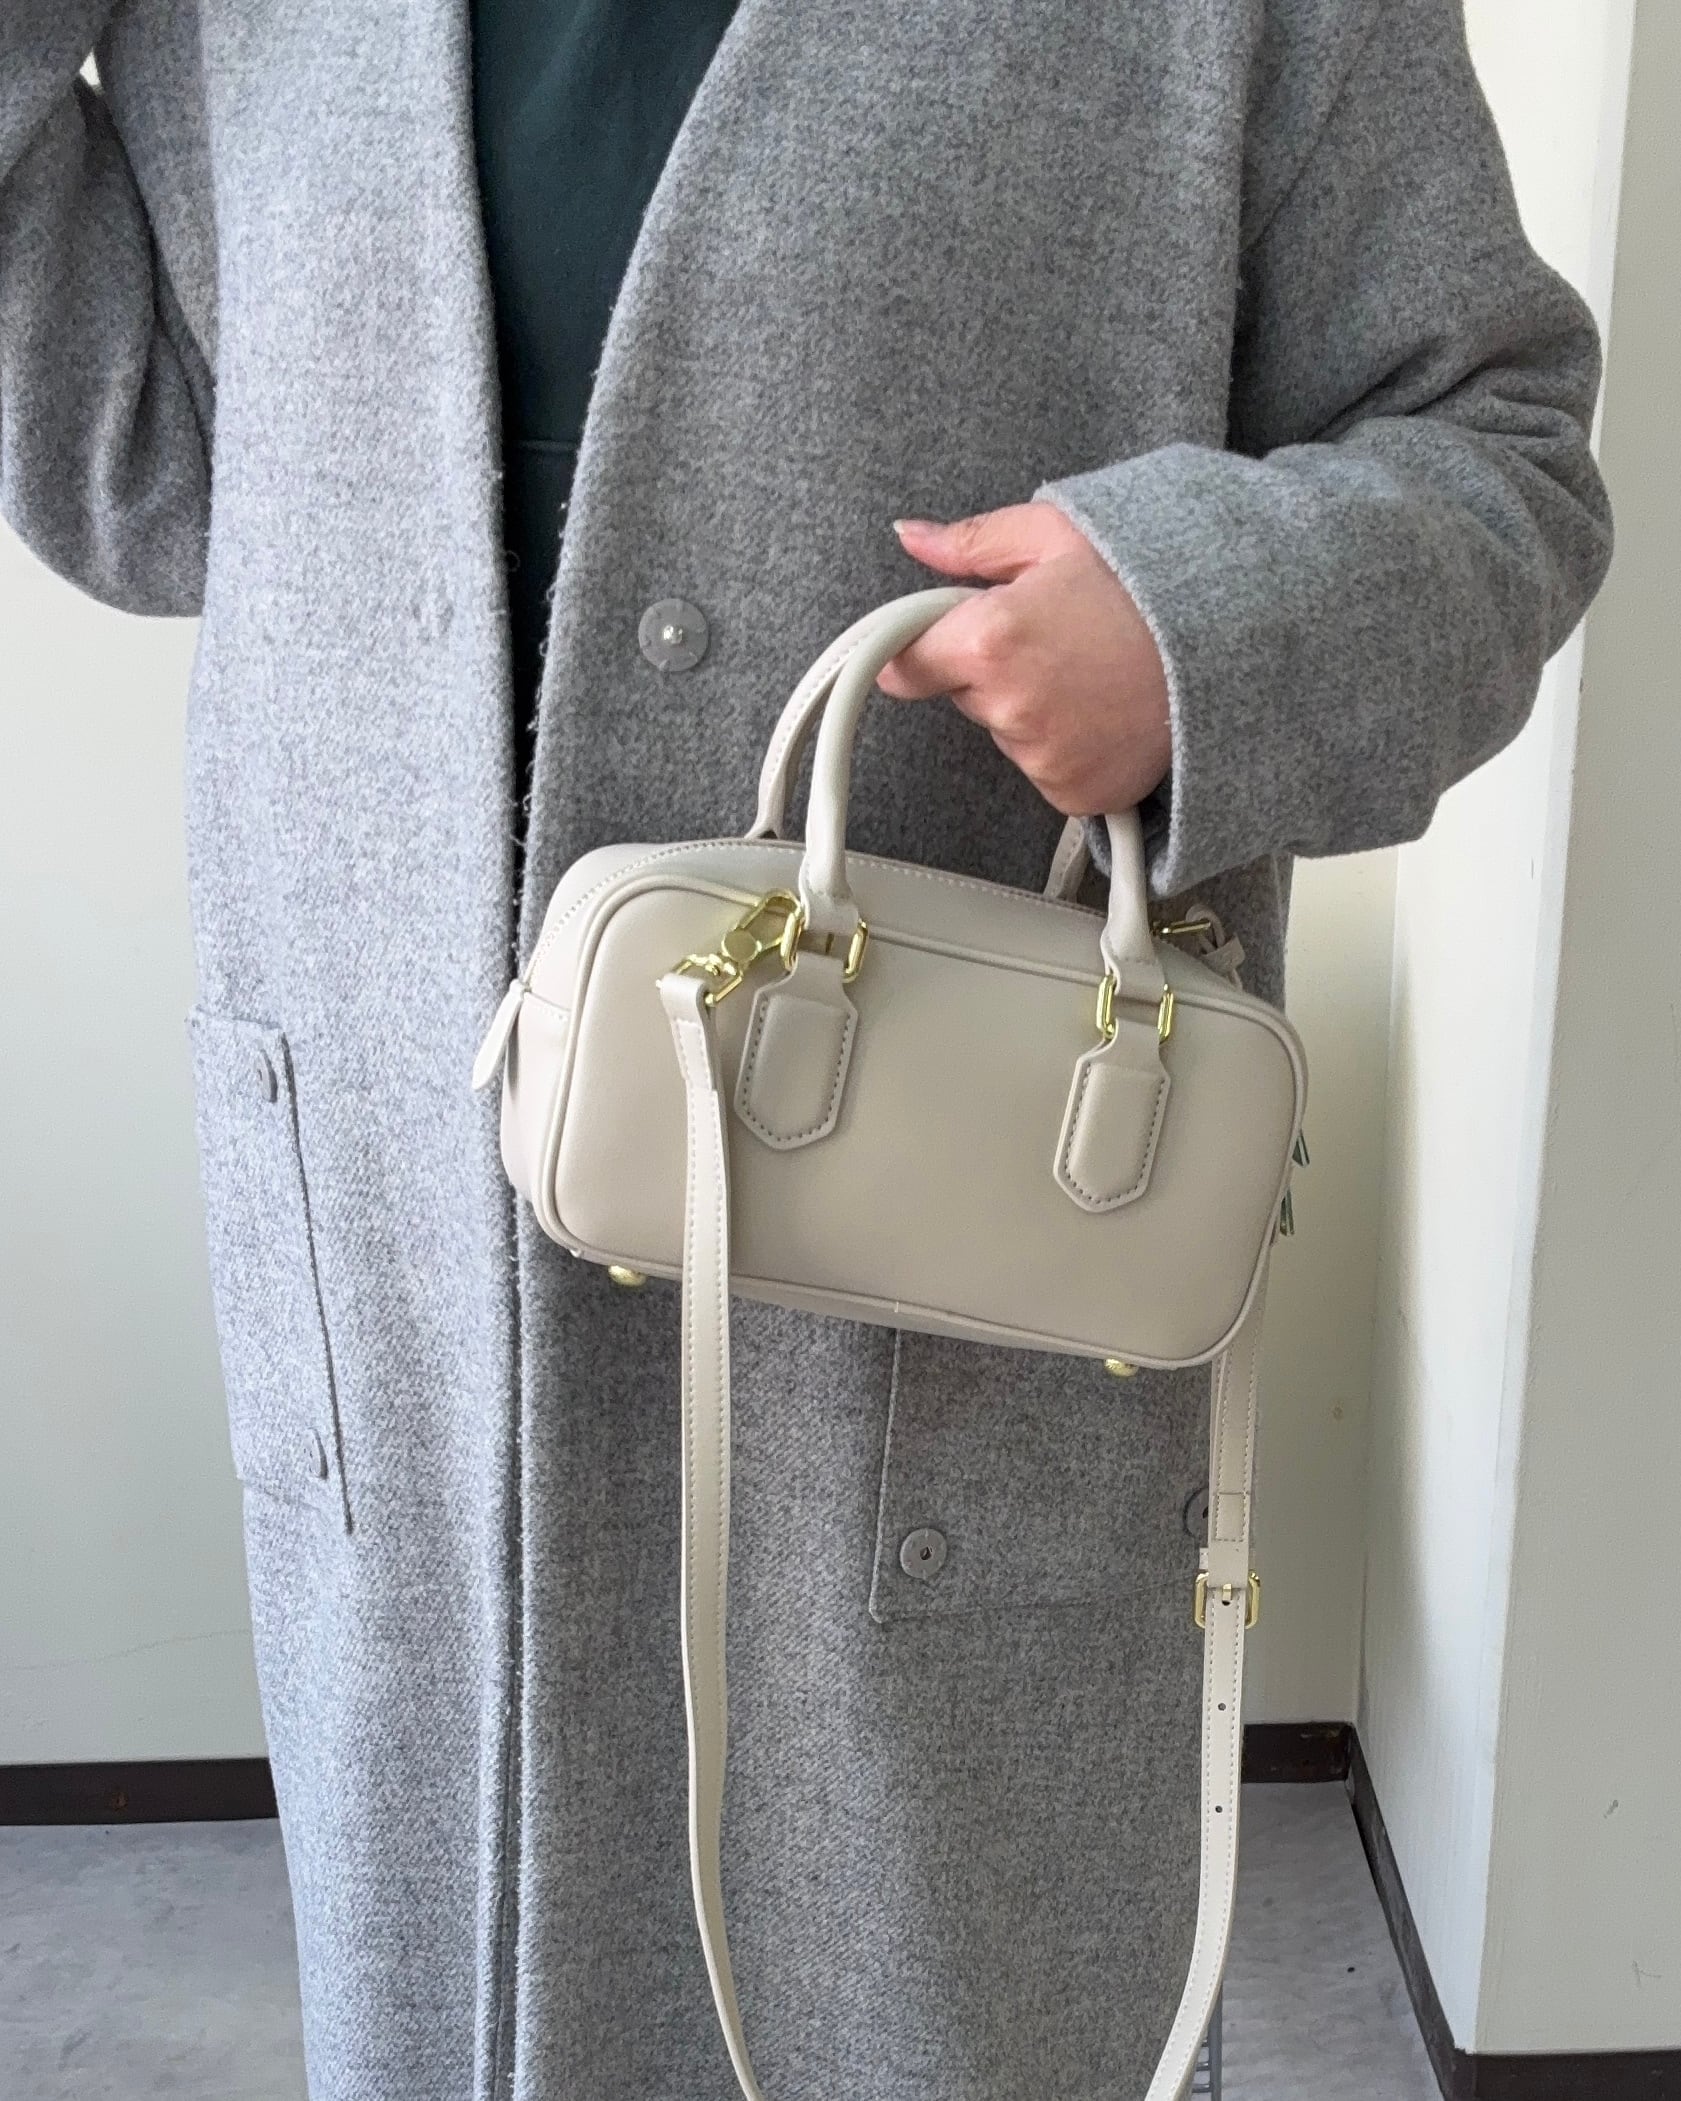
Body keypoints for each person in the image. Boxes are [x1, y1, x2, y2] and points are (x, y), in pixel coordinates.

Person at [2, 2, 1611, 2097]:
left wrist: (1196, 622)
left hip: (940, 1340)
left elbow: (1496, 448)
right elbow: (148, 475)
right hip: (402, 1269)